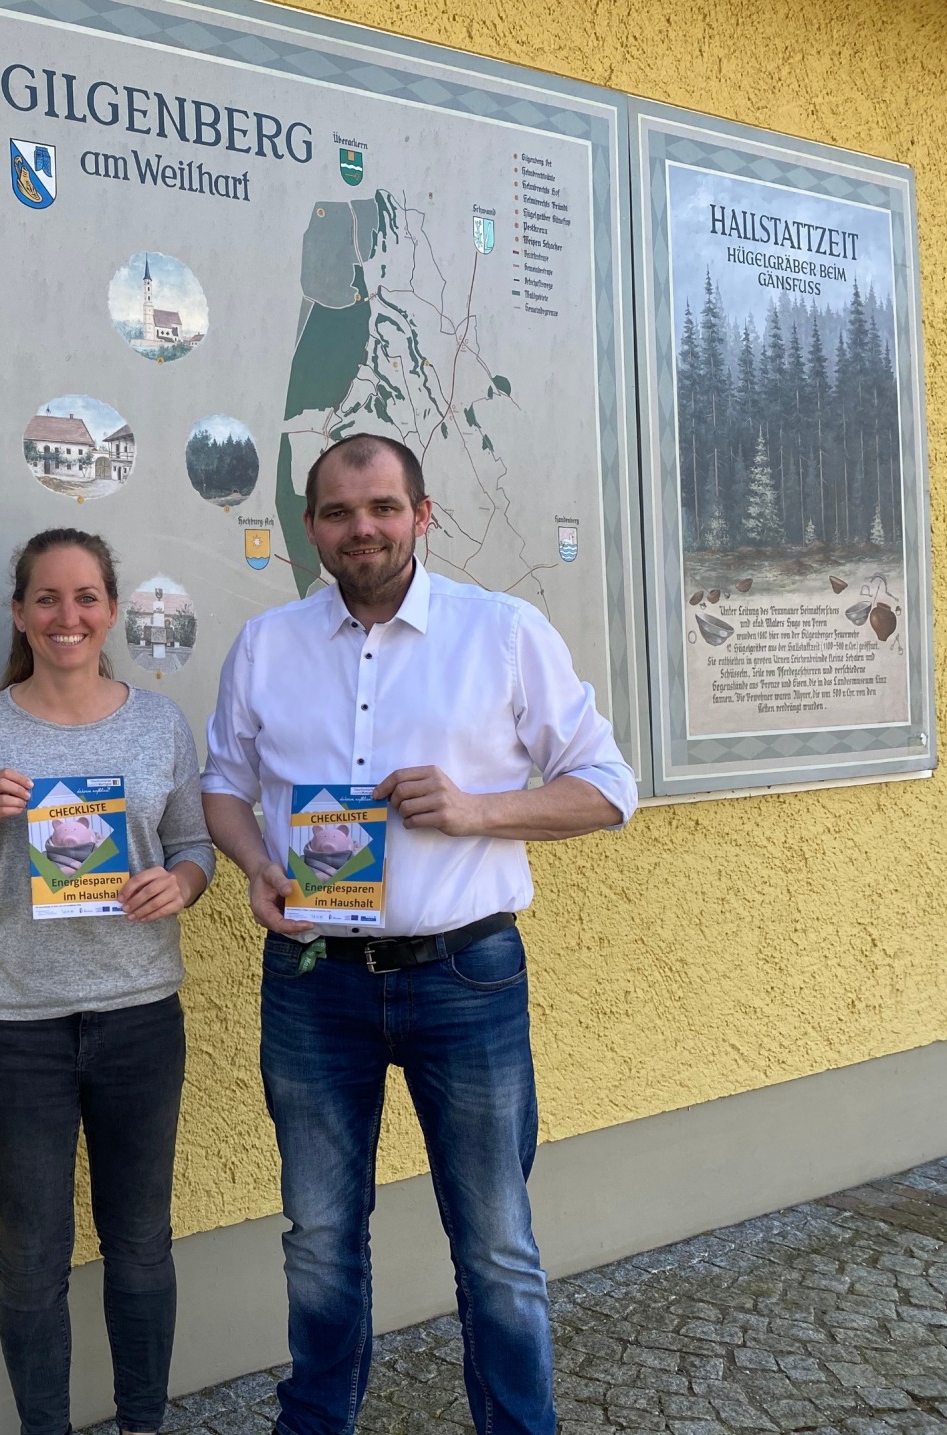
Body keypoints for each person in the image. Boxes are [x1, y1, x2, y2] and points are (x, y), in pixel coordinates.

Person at [200, 434, 637, 1435]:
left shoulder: (504, 632)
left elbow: (608, 789)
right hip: (313, 976)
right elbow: (223, 785)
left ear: (422, 515)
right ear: (312, 527)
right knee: (318, 1236)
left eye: (383, 507)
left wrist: (477, 809)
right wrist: (257, 863)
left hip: (464, 974)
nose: (363, 528)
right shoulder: (266, 645)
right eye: (340, 512)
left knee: (495, 1243)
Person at [0, 528, 216, 1435]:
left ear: (112, 610)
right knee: (30, 1257)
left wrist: (181, 884)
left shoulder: (158, 723)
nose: (67, 615)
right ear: (21, 613)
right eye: (47, 598)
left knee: (141, 1245)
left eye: (86, 597)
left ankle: (142, 1424)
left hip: (139, 1017)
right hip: (20, 1028)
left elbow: (195, 846)